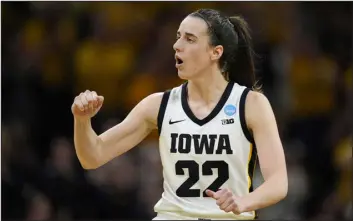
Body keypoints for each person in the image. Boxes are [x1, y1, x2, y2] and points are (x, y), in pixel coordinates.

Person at [72, 8, 288, 220]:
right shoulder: (158, 105)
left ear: (216, 52)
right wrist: (82, 121)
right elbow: (92, 157)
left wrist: (244, 202)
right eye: (178, 37)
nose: (176, 46)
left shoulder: (250, 103)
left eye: (189, 39)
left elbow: (278, 182)